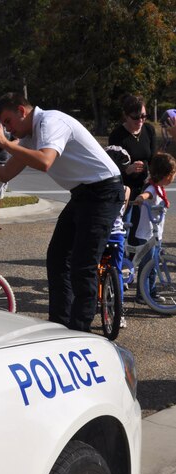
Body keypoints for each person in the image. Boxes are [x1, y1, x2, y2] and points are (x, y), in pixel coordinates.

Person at [0, 92, 124, 333]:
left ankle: (80, 330)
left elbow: (45, 161)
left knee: (83, 263)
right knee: (58, 258)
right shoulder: (29, 137)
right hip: (82, 194)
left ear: (21, 110)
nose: (7, 129)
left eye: (8, 121)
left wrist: (5, 144)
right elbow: (6, 173)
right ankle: (60, 325)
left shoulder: (50, 121)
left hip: (103, 191)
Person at [108, 95, 156, 246]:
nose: (140, 121)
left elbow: (153, 158)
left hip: (144, 187)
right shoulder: (117, 135)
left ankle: (138, 264)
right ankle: (121, 261)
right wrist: (127, 169)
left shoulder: (148, 130)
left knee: (142, 231)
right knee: (123, 227)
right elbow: (112, 165)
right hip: (126, 188)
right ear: (126, 116)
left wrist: (146, 168)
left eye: (143, 116)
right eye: (136, 118)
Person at [133, 152, 176, 304]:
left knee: (153, 264)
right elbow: (146, 194)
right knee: (147, 266)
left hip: (155, 233)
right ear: (166, 175)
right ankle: (142, 295)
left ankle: (150, 292)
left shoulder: (158, 188)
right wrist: (140, 198)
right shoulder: (151, 188)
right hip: (146, 234)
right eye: (173, 173)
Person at [104, 145, 132, 328]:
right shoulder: (126, 189)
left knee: (88, 269)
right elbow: (123, 211)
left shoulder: (95, 187)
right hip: (117, 235)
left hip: (101, 234)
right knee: (117, 273)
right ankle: (119, 313)